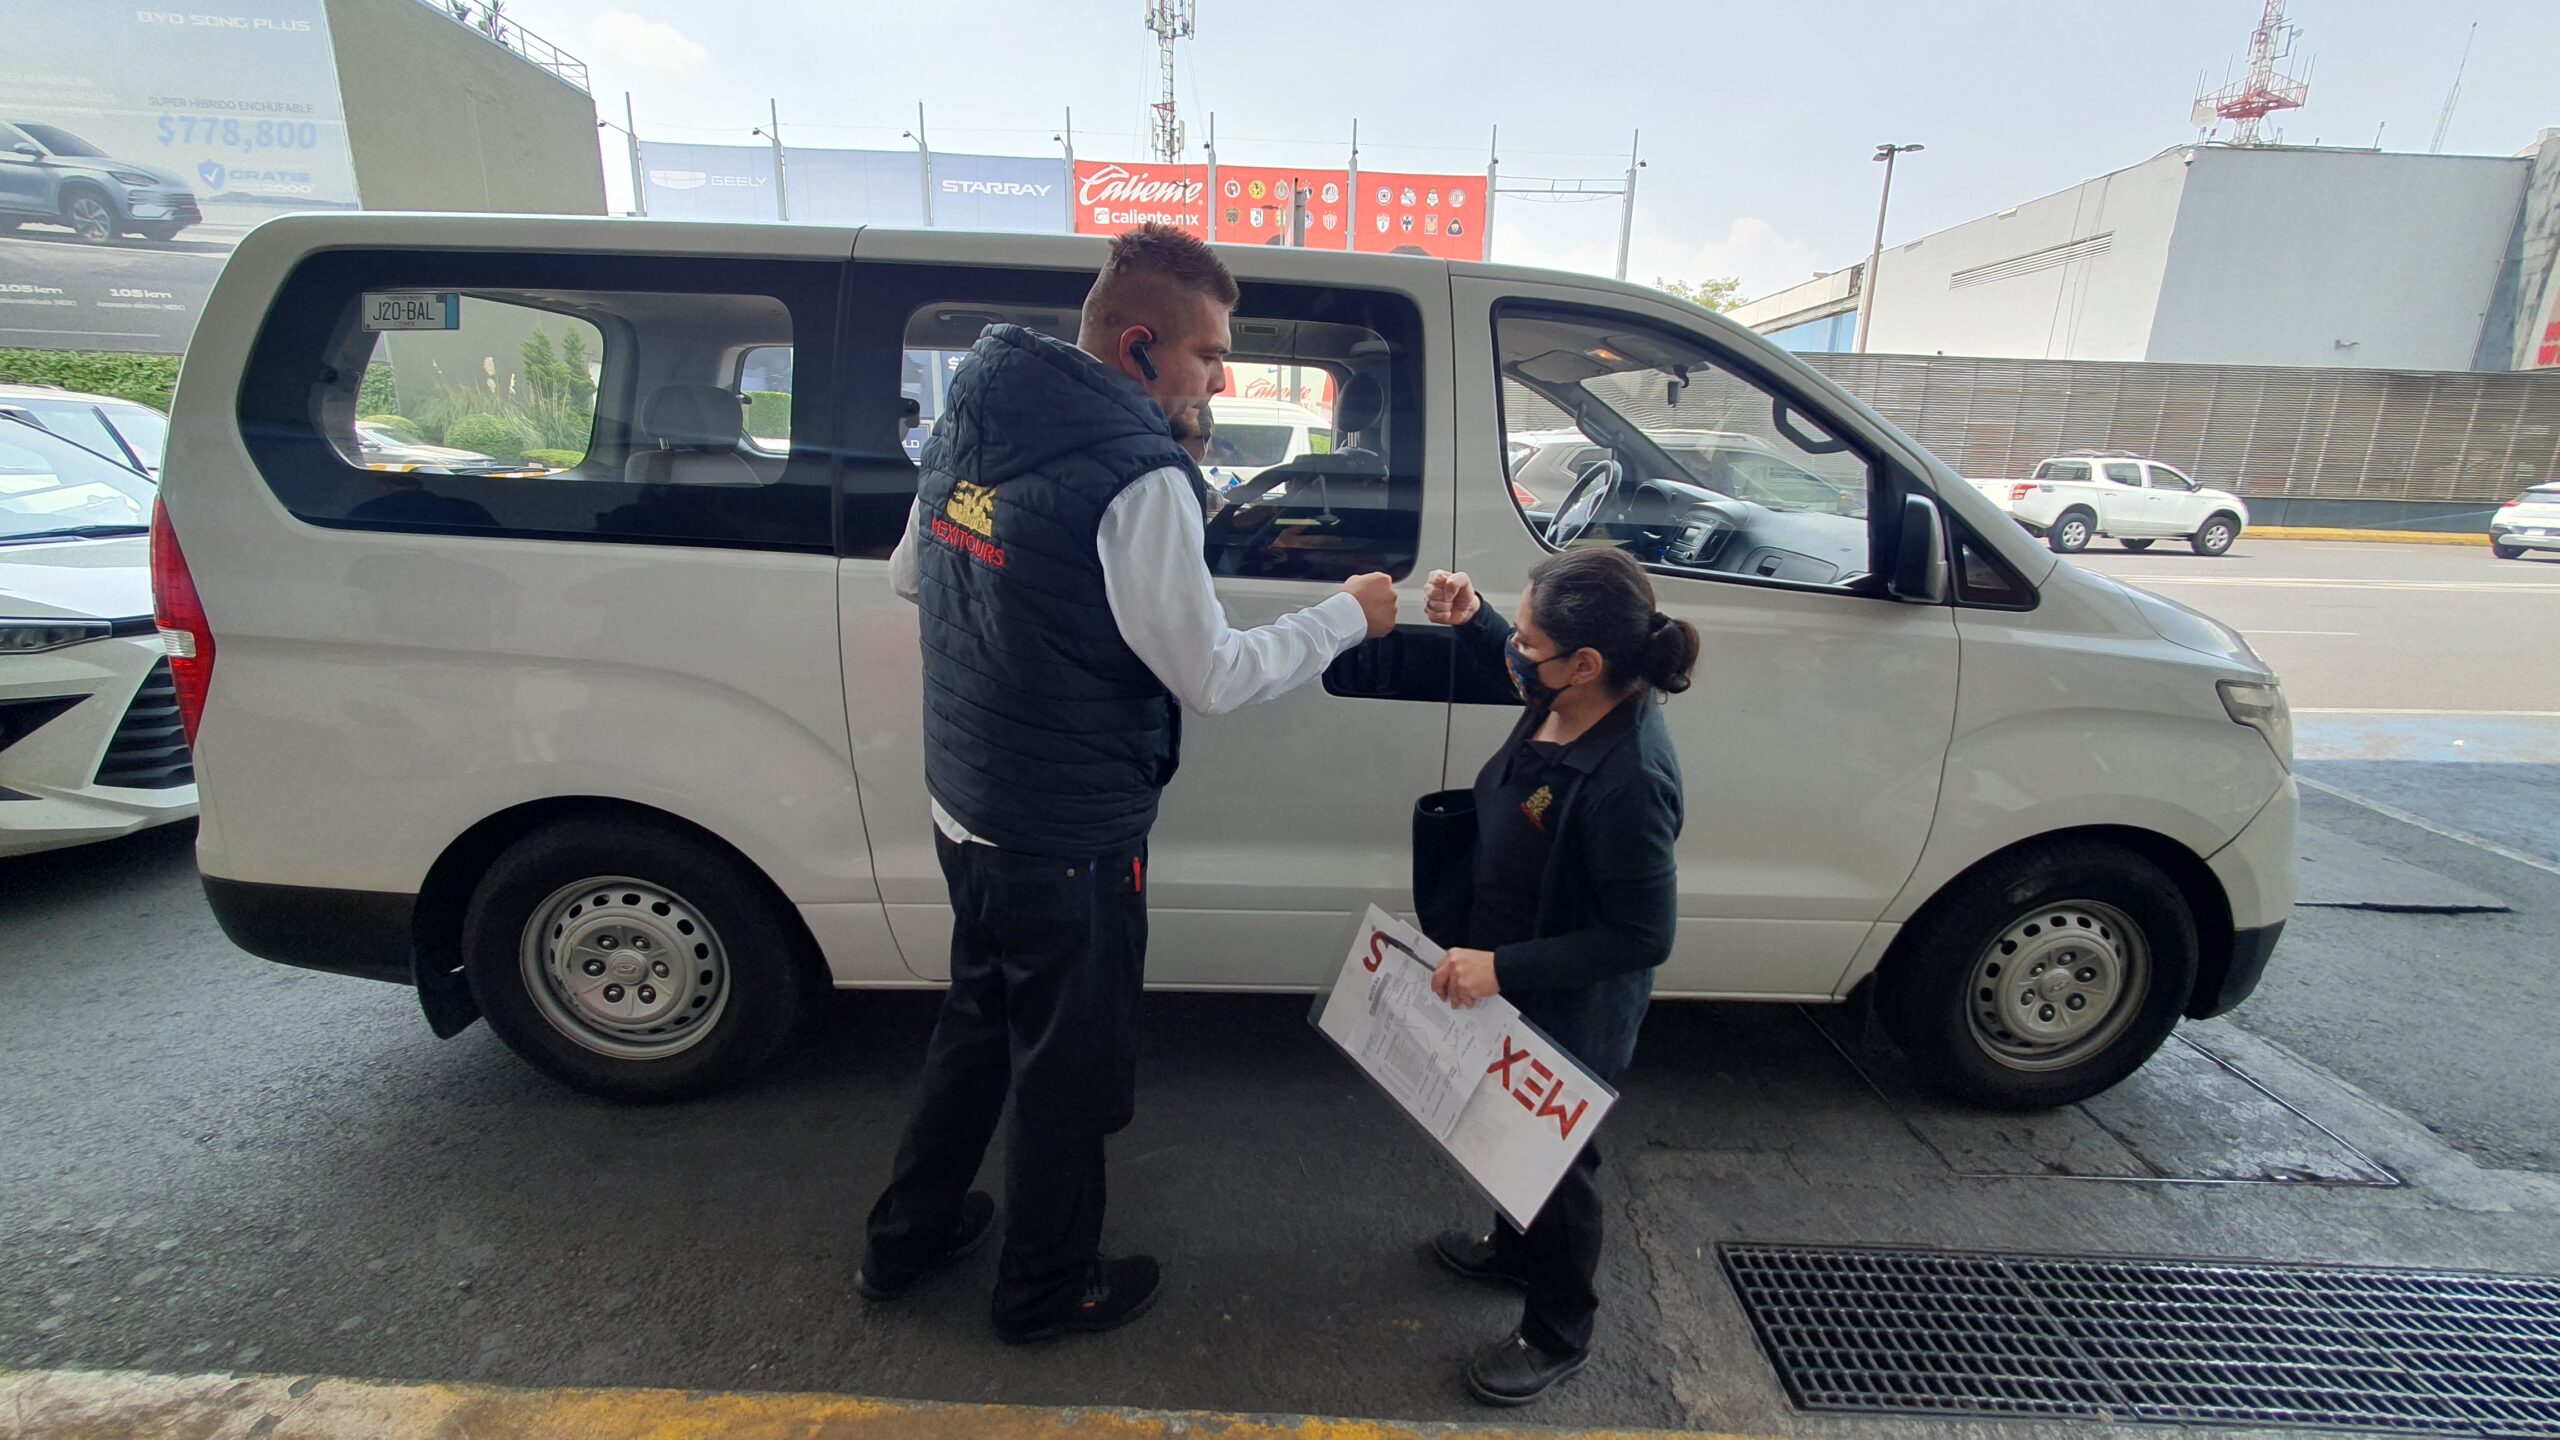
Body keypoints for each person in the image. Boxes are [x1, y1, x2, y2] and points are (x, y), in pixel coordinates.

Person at [860, 225, 1400, 1343]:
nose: (1221, 382)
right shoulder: (1142, 477)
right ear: (1140, 345)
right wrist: (1347, 615)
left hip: (966, 801)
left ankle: (905, 1239)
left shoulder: (975, 415)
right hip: (1067, 834)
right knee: (1067, 1068)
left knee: (976, 1025)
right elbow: (1212, 674)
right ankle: (1046, 1290)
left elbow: (914, 573)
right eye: (1209, 355)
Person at [1419, 548, 1697, 1406]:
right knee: (1503, 1128)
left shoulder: (1630, 780)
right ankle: (1514, 1253)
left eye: (1529, 639)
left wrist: (1501, 967)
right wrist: (1475, 620)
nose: (1517, 650)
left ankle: (1556, 1331)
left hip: (1568, 1004)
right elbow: (1515, 663)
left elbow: (1642, 935)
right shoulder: (1561, 696)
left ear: (1586, 665)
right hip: (1511, 972)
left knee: (1558, 1162)